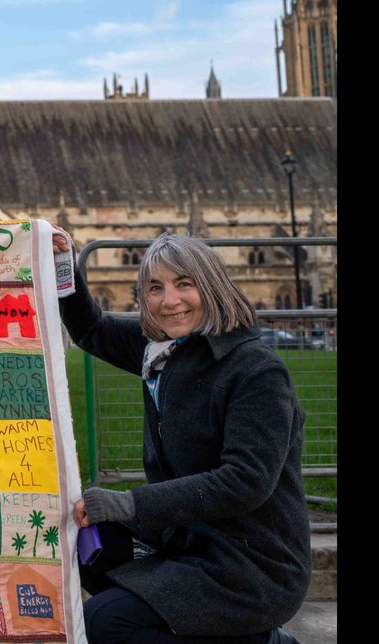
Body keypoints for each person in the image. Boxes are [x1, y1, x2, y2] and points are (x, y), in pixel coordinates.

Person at [52, 231, 309, 644]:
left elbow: (245, 481)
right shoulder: (161, 349)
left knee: (103, 622)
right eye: (155, 288)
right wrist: (62, 265)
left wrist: (128, 503)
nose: (168, 301)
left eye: (183, 284)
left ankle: (257, 638)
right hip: (187, 537)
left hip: (250, 564)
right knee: (79, 543)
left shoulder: (256, 370)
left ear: (210, 286)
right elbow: (91, 330)